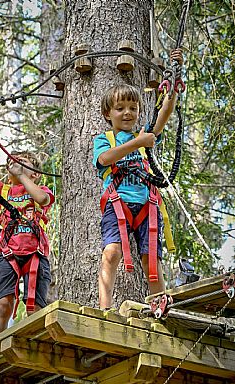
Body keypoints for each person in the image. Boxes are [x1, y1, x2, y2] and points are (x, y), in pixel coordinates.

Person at [93, 49, 183, 312]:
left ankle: (160, 304)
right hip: (117, 202)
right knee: (111, 253)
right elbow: (105, 159)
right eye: (120, 108)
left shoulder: (145, 134)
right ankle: (104, 308)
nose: (128, 113)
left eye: (133, 108)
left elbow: (163, 114)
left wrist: (173, 84)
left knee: (150, 259)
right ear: (108, 114)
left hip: (147, 204)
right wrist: (138, 143)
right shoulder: (105, 139)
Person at [0, 107, 55, 336]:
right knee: (2, 305)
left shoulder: (40, 189)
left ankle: (37, 345)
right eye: (13, 162)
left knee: (35, 305)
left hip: (35, 254)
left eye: (23, 162)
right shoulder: (2, 190)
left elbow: (42, 199)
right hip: (8, 253)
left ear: (35, 174)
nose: (15, 164)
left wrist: (23, 174)